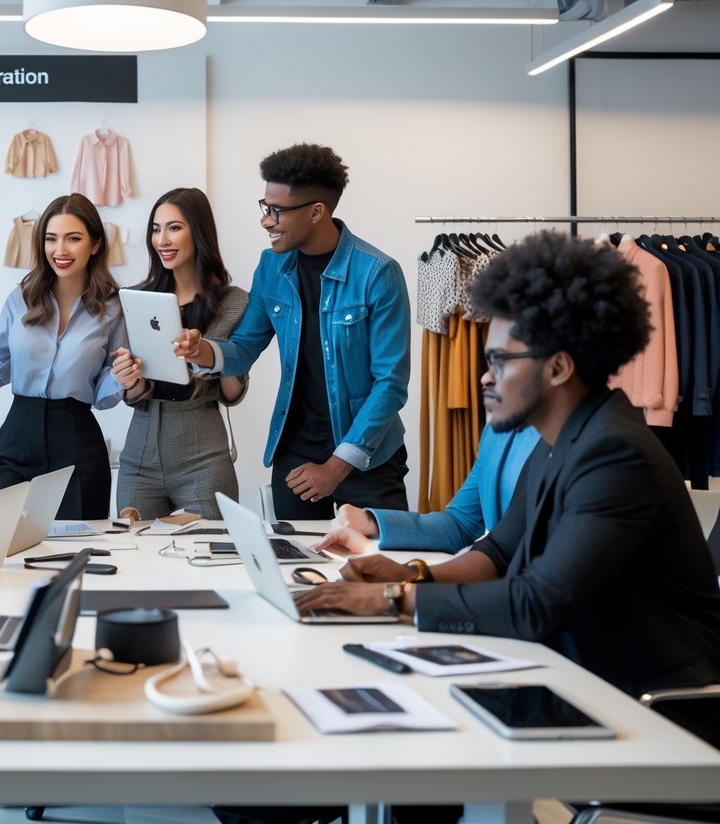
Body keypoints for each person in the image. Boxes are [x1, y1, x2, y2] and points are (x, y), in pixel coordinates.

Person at [297, 230, 720, 710]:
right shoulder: (563, 439)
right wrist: (412, 576)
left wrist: (390, 599)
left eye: (498, 361)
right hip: (584, 677)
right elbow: (499, 551)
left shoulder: (615, 455)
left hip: (653, 705)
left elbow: (536, 602)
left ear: (558, 367)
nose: (484, 375)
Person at [176, 143, 411, 521]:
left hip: (367, 456)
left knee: (373, 569)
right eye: (264, 207)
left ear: (317, 211)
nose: (266, 220)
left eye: (277, 210)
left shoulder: (377, 274)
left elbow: (391, 384)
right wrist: (202, 351)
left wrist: (337, 466)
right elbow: (245, 345)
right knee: (294, 569)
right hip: (296, 452)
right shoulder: (272, 266)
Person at [0, 193, 126, 519]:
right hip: (19, 436)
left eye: (73, 238)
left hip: (78, 443)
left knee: (76, 557)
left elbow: (103, 396)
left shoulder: (114, 308)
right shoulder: (20, 298)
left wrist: (122, 378)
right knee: (1, 547)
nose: (59, 250)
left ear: (95, 245)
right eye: (51, 238)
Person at [111, 187, 249, 519]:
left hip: (204, 453)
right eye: (156, 230)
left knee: (209, 559)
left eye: (174, 228)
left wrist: (211, 354)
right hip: (140, 452)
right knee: (135, 558)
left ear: (198, 232)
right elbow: (136, 393)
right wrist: (129, 379)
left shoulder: (233, 302)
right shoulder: (138, 298)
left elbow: (232, 393)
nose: (162, 240)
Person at [325, 425, 541, 555]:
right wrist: (373, 522)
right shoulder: (497, 432)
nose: (486, 378)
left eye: (503, 361)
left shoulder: (567, 447)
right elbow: (460, 524)